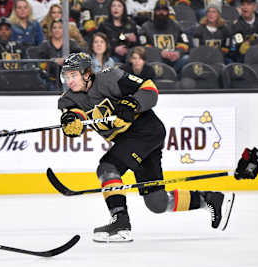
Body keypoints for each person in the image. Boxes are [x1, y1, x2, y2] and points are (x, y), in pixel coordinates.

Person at [58, 52, 235, 242]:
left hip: (146, 131)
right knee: (157, 202)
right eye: (66, 76)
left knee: (108, 167)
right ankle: (210, 199)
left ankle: (120, 223)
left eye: (73, 75)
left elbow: (149, 89)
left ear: (87, 73)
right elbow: (75, 116)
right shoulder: (68, 99)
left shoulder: (109, 77)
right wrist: (72, 125)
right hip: (131, 140)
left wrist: (133, 103)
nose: (69, 81)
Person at [138, 0, 190, 72]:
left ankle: (173, 75)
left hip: (174, 60)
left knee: (186, 58)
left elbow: (185, 43)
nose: (161, 13)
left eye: (164, 10)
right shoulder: (146, 27)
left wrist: (178, 52)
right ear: (154, 12)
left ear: (168, 12)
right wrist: (159, 53)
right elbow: (143, 45)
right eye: (158, 10)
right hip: (154, 60)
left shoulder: (176, 26)